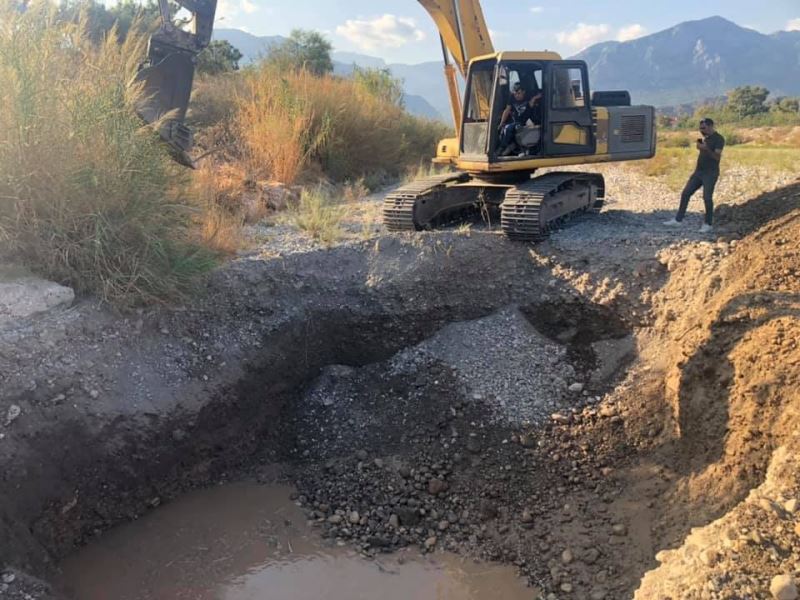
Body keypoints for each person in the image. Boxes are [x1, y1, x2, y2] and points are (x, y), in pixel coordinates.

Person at [664, 118, 725, 233]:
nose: (702, 130)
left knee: (707, 197)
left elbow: (717, 157)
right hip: (699, 172)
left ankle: (708, 223)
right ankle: (678, 220)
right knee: (686, 193)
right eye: (700, 128)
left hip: (710, 173)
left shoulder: (719, 139)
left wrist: (706, 149)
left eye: (704, 128)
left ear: (711, 126)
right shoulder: (704, 138)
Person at [497, 82, 542, 157]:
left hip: (527, 121)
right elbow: (507, 110)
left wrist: (535, 98)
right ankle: (503, 147)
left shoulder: (528, 97)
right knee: (507, 128)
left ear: (523, 92)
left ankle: (513, 148)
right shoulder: (511, 98)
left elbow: (532, 103)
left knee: (514, 128)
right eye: (515, 93)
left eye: (519, 93)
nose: (516, 95)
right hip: (516, 121)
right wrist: (501, 123)